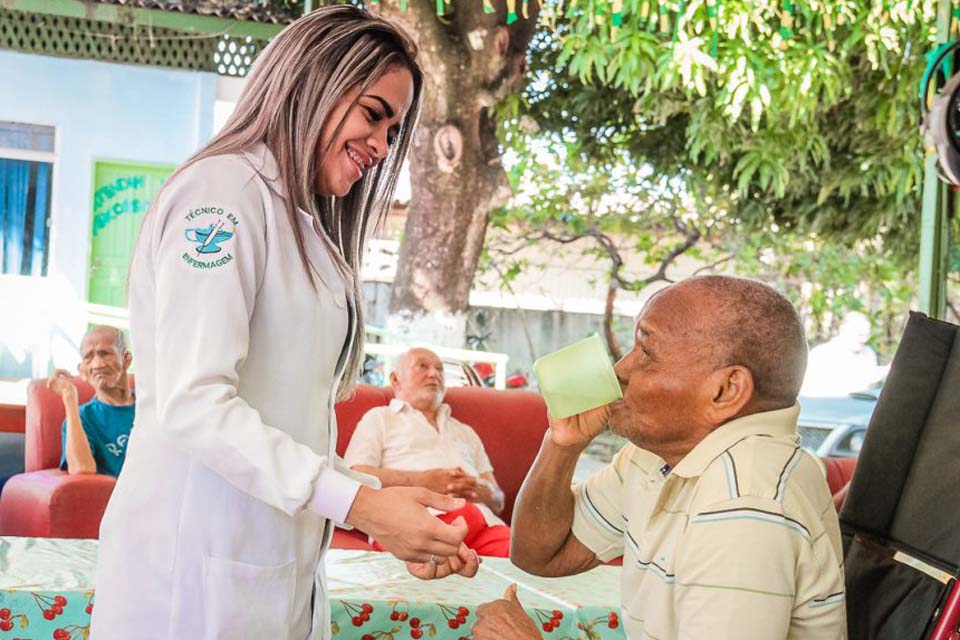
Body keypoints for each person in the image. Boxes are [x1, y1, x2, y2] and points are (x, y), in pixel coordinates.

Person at [92, 8, 477, 639]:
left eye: (393, 130)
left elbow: (288, 428)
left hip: (267, 573)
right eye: (373, 114)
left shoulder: (305, 225)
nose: (382, 147)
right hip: (190, 581)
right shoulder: (222, 196)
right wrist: (362, 505)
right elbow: (196, 403)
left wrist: (383, 507)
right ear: (314, 83)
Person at [474, 275, 846, 640]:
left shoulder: (744, 501)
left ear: (726, 391)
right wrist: (563, 445)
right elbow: (541, 555)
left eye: (647, 353)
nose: (620, 370)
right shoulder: (659, 456)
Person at [345, 348, 510, 556]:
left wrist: (482, 490)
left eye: (439, 369)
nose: (434, 374)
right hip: (412, 526)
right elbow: (355, 476)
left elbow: (498, 500)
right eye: (423, 366)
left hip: (484, 525)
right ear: (396, 379)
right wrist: (423, 481)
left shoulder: (465, 431)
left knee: (530, 558)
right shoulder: (380, 418)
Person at [47, 325, 134, 477]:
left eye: (105, 353)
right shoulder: (82, 418)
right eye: (88, 357)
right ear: (82, 371)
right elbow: (81, 470)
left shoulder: (150, 405)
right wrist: (69, 396)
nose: (98, 364)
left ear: (126, 359)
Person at [801, 311, 888, 396]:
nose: (864, 339)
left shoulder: (868, 353)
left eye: (867, 335)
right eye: (860, 334)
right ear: (843, 330)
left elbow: (869, 380)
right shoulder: (821, 354)